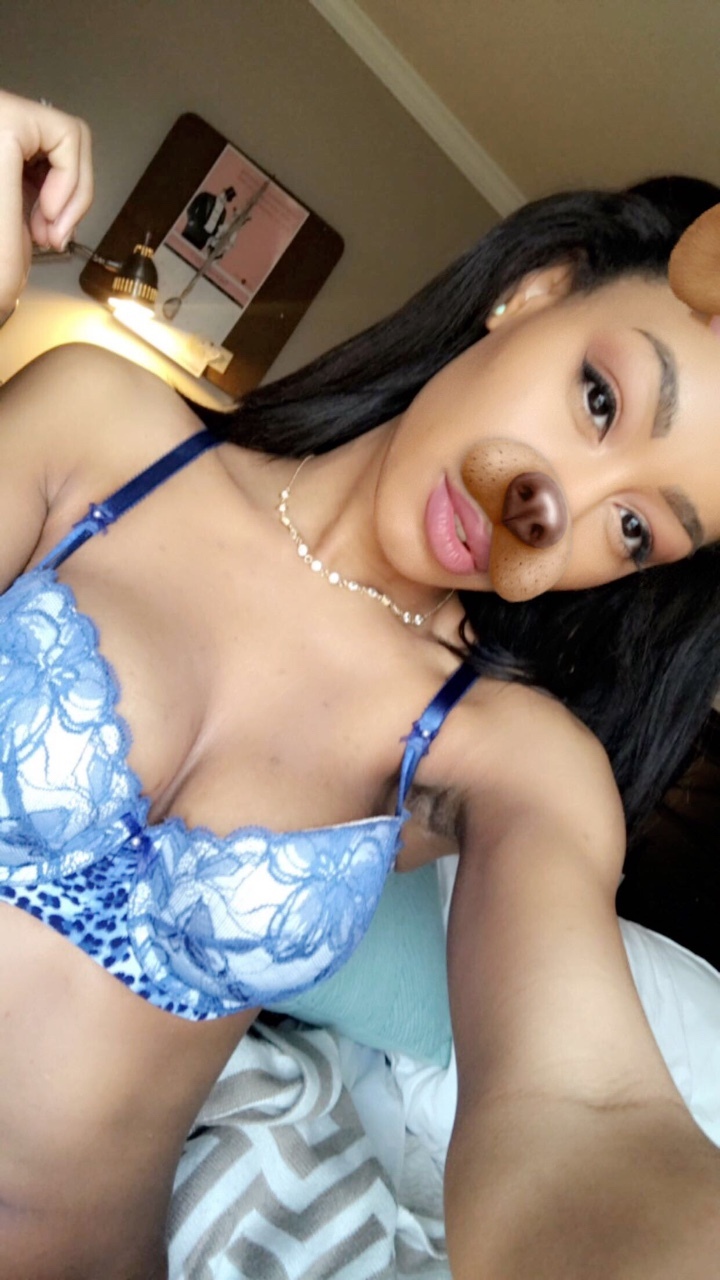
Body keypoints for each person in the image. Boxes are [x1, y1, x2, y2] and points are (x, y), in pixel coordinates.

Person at [1, 88, 720, 1280]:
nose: (552, 507)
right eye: (600, 400)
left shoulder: (500, 751)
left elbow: (585, 1111)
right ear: (534, 290)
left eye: (637, 528)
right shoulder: (103, 431)